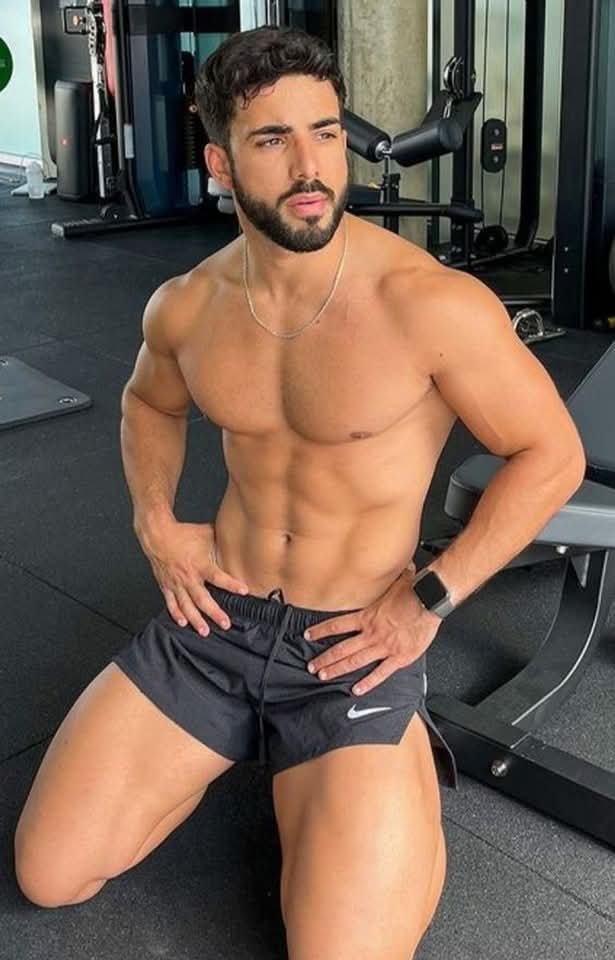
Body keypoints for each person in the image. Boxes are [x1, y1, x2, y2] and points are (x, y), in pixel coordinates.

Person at [14, 25, 585, 960]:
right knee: (51, 874)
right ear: (221, 163)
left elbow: (549, 454)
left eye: (325, 133)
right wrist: (155, 522)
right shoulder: (187, 304)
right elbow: (146, 404)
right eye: (273, 140)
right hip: (213, 625)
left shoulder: (425, 304)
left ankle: (383, 766)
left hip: (354, 644)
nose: (310, 166)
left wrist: (427, 599)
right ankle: (256, 746)